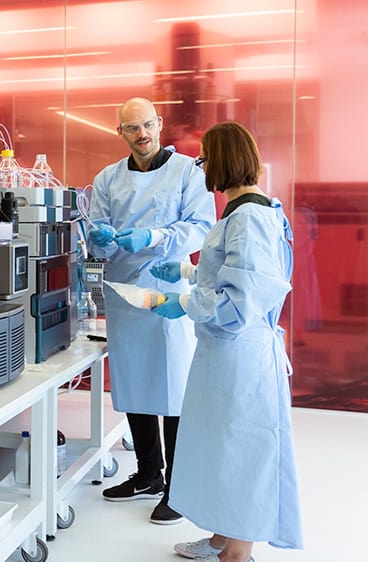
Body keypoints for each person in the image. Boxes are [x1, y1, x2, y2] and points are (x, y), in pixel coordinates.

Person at [149, 122, 302, 561]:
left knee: (240, 451)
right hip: (223, 354)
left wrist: (183, 303)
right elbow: (229, 273)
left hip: (241, 354)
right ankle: (220, 535)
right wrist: (185, 274)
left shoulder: (251, 216)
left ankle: (238, 552)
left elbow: (238, 303)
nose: (202, 168)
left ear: (224, 161)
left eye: (204, 159)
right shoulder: (240, 212)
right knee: (218, 443)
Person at [87, 97, 216, 524]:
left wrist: (154, 237)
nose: (141, 134)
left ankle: (179, 488)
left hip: (169, 294)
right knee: (136, 385)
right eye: (131, 128)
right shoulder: (108, 178)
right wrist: (104, 239)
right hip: (125, 295)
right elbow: (97, 237)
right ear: (120, 132)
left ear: (159, 124)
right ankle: (147, 474)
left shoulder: (187, 171)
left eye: (147, 125)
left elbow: (200, 228)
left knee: (175, 390)